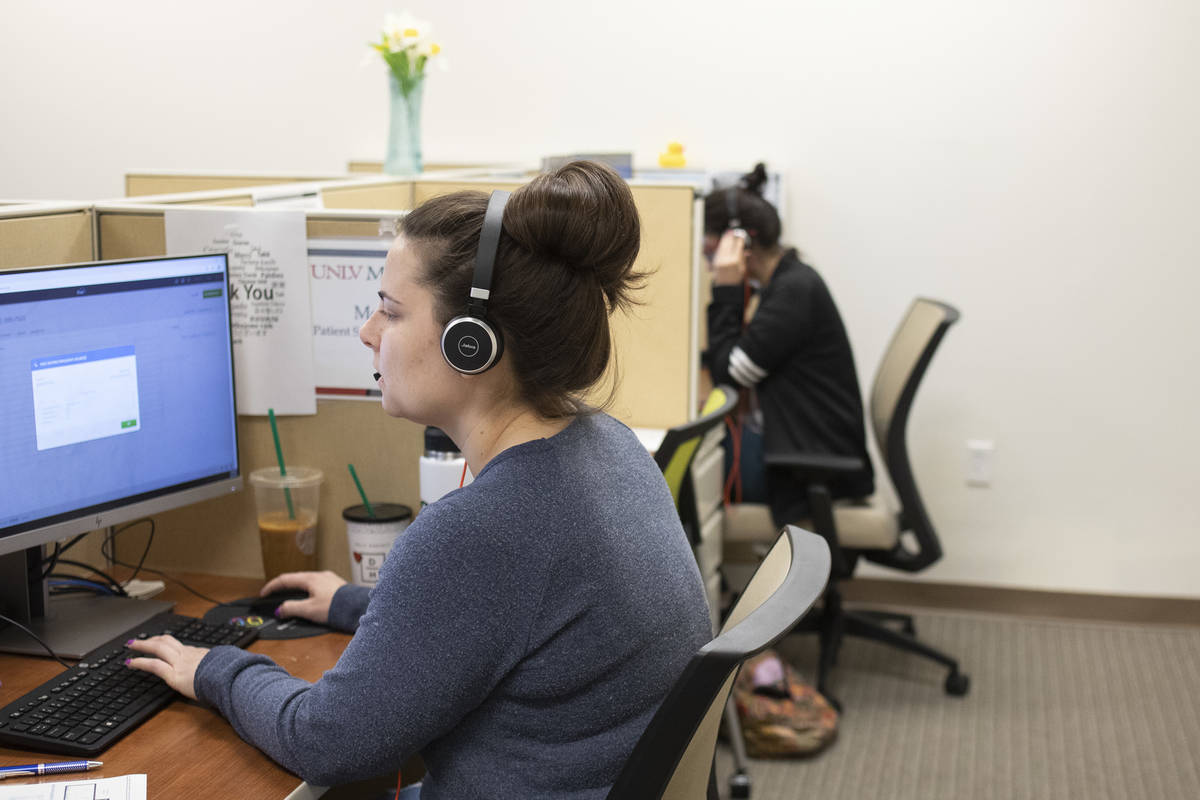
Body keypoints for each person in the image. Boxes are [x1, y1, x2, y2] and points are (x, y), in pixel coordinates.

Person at [126, 161, 712, 798]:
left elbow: (329, 742)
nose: (367, 331)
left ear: (472, 343)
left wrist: (216, 668)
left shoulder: (483, 531)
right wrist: (359, 604)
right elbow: (511, 619)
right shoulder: (609, 445)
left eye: (390, 311)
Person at [704, 163, 874, 528]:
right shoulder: (789, 280)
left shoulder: (794, 293)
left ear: (739, 244)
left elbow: (730, 375)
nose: (708, 263)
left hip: (804, 465)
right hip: (799, 445)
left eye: (710, 252)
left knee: (695, 469)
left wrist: (726, 288)